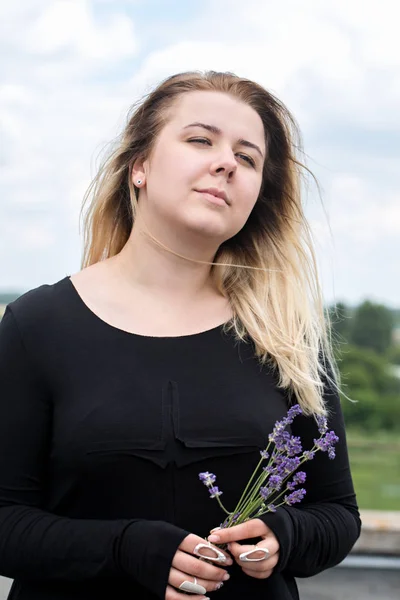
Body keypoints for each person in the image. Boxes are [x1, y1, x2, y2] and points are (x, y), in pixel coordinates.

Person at [0, 70, 361, 600]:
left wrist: (285, 536)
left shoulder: (289, 335)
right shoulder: (37, 325)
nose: (226, 163)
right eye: (200, 140)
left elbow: (337, 514)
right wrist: (127, 549)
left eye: (248, 157)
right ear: (139, 165)